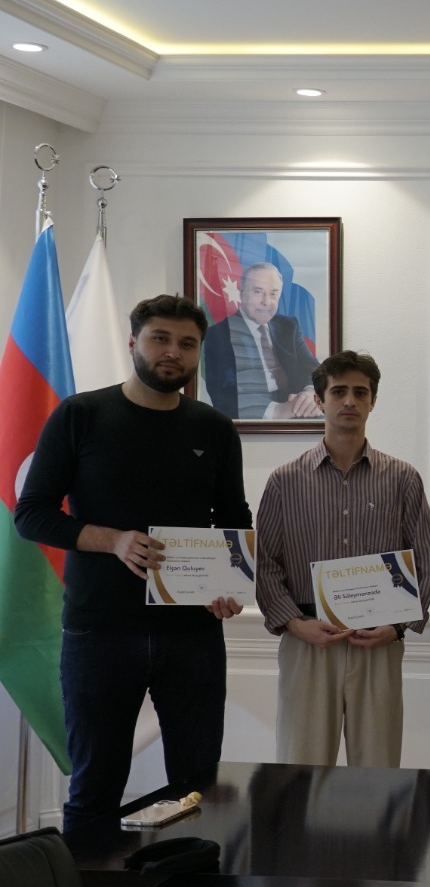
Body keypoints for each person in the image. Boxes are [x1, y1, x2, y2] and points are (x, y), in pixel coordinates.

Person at [14, 295, 250, 830]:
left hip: (192, 633)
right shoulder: (81, 415)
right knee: (95, 786)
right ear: (133, 343)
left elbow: (234, 521)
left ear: (198, 354)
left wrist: (228, 582)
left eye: (187, 344)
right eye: (160, 339)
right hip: (100, 632)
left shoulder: (214, 428)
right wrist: (111, 540)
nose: (173, 352)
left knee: (197, 788)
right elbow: (31, 515)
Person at [254, 350, 430, 767]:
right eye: (339, 392)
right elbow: (264, 563)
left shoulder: (402, 478)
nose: (350, 401)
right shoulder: (284, 481)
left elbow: (428, 559)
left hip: (378, 643)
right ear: (319, 400)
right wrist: (295, 624)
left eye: (361, 392)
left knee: (377, 771)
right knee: (300, 767)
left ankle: (376, 837)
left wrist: (396, 627)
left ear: (373, 401)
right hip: (307, 641)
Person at [201, 262, 320, 421]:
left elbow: (312, 367)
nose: (266, 302)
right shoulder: (219, 334)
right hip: (253, 417)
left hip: (297, 408)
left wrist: (310, 391)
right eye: (258, 292)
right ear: (241, 292)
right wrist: (277, 411)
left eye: (273, 294)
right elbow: (223, 392)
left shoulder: (288, 326)